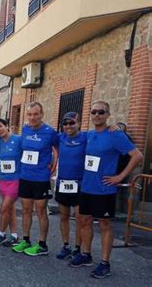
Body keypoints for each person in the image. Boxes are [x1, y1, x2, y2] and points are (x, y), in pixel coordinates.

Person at [70, 100, 142, 279]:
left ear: (108, 115)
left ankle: (104, 263)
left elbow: (137, 156)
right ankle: (86, 255)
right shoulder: (89, 135)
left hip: (104, 188)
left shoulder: (116, 135)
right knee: (85, 221)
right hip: (87, 187)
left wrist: (120, 177)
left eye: (101, 112)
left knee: (104, 225)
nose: (97, 115)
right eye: (94, 112)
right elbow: (69, 133)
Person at [13, 102, 58, 256]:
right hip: (25, 176)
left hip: (40, 178)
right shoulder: (25, 129)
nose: (32, 117)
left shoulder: (50, 132)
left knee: (40, 211)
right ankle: (25, 240)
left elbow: (58, 148)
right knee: (26, 210)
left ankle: (42, 244)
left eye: (35, 114)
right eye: (30, 114)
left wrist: (54, 164)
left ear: (42, 114)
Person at [54, 112, 86, 259]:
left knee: (80, 218)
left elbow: (103, 134)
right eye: (65, 124)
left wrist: (115, 128)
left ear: (78, 123)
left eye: (71, 123)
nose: (68, 126)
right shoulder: (60, 138)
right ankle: (66, 246)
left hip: (79, 184)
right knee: (64, 217)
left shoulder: (86, 137)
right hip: (63, 183)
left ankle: (78, 249)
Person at [0, 119, 21, 246]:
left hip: (16, 180)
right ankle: (14, 236)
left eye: (0, 126)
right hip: (3, 180)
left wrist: (50, 162)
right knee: (10, 209)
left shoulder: (19, 139)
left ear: (6, 125)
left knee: (4, 208)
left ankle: (1, 234)